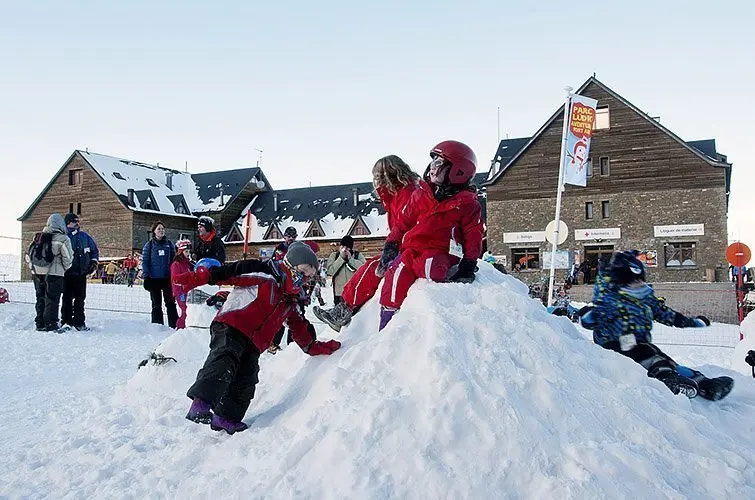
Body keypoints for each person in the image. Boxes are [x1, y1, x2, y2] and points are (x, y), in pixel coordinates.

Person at [173, 241, 341, 434]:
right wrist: (199, 277)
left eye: (308, 277)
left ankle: (224, 417)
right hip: (232, 325)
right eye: (302, 272)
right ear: (291, 264)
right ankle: (201, 403)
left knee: (247, 379)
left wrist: (314, 346)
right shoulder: (265, 273)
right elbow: (231, 272)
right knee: (225, 359)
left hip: (254, 343)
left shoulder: (290, 300)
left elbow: (300, 328)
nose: (303, 280)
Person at [580, 250, 734, 401]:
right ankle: (667, 380)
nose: (639, 285)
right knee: (652, 358)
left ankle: (705, 384)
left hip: (638, 342)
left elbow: (664, 313)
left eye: (640, 280)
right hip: (614, 345)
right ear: (622, 282)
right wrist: (590, 316)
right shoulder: (610, 300)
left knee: (664, 359)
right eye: (634, 282)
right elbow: (592, 318)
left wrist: (690, 322)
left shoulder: (645, 298)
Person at [376, 140, 484, 330]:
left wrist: (469, 262)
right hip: (413, 248)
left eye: (439, 164)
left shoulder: (467, 204)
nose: (433, 168)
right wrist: (391, 244)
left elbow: (473, 234)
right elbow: (403, 221)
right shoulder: (421, 194)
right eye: (433, 163)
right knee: (397, 272)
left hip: (440, 250)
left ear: (458, 171)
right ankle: (388, 320)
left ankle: (424, 314)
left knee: (431, 268)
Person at [313, 155, 419, 331]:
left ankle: (343, 311)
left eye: (378, 176)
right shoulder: (397, 196)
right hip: (405, 246)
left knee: (371, 269)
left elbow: (404, 225)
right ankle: (345, 309)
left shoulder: (407, 194)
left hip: (412, 249)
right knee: (371, 266)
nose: (376, 182)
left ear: (391, 175)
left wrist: (393, 248)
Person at [29, 214, 73, 331]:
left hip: (37, 273)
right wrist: (64, 268)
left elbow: (30, 254)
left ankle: (40, 323)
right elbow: (68, 257)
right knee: (52, 298)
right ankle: (51, 324)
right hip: (55, 274)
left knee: (40, 297)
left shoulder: (38, 237)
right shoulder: (63, 238)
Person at [62, 213, 99, 331]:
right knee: (67, 298)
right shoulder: (64, 237)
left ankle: (79, 322)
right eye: (74, 221)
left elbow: (94, 250)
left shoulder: (84, 236)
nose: (77, 223)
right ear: (68, 223)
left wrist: (93, 262)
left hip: (81, 273)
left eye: (78, 221)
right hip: (67, 273)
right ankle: (66, 321)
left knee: (80, 298)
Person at [142, 221, 178, 327]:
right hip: (154, 279)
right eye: (159, 229)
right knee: (156, 304)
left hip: (167, 278)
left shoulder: (169, 244)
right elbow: (145, 261)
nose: (161, 230)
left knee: (170, 303)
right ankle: (157, 326)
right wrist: (146, 276)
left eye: (162, 229)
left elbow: (174, 260)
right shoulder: (149, 245)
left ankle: (174, 324)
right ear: (154, 231)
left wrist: (174, 274)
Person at [325, 235, 366, 306]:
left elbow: (364, 269)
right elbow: (330, 271)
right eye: (343, 246)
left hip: (354, 292)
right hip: (339, 293)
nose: (345, 249)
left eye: (347, 247)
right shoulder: (334, 256)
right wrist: (341, 258)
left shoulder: (357, 256)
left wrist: (351, 260)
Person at [171, 239, 194, 329]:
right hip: (180, 292)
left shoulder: (189, 264)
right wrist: (179, 292)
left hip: (188, 291)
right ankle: (180, 328)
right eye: (186, 251)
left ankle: (185, 327)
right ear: (181, 252)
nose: (188, 253)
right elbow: (175, 280)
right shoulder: (176, 264)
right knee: (185, 310)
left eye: (189, 251)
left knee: (188, 310)